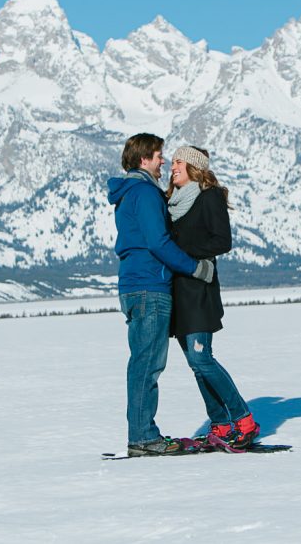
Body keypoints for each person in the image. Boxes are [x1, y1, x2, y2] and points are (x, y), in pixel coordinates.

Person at [107, 133, 216, 457]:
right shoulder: (145, 192)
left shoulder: (129, 193)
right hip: (150, 286)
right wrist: (195, 268)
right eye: (158, 156)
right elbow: (158, 242)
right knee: (147, 365)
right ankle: (143, 437)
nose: (163, 162)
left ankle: (142, 434)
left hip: (134, 285)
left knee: (143, 362)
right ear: (144, 159)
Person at [166, 146, 260, 448]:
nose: (172, 166)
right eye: (172, 162)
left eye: (179, 161)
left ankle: (243, 419)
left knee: (201, 357)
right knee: (196, 363)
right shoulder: (172, 202)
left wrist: (185, 257)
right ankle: (219, 423)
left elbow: (223, 241)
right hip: (177, 292)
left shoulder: (209, 196)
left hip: (199, 289)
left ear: (194, 167)